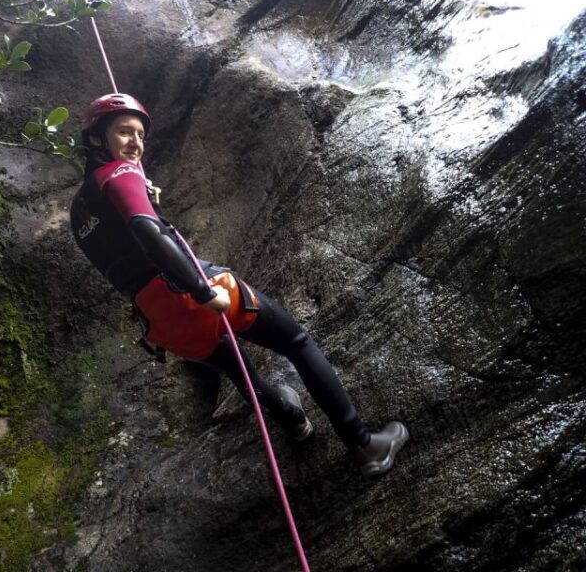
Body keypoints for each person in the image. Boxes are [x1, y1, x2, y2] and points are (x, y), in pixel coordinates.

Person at [69, 93, 409, 477]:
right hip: (192, 293)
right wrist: (200, 288)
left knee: (236, 369)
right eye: (124, 132)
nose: (136, 143)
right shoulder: (120, 174)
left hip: (161, 325)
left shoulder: (78, 212)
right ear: (97, 139)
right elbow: (146, 229)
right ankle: (365, 445)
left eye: (140, 135)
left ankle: (292, 419)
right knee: (296, 342)